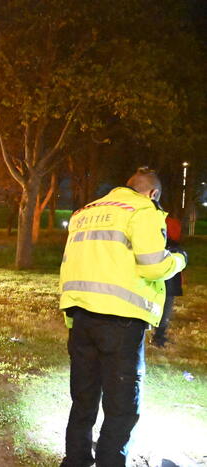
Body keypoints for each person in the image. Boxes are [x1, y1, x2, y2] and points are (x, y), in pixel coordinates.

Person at [59, 167, 187, 466]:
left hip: (81, 318)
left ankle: (75, 460)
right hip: (122, 322)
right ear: (153, 193)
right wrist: (179, 259)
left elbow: (69, 265)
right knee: (121, 406)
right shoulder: (143, 210)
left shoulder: (85, 212)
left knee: (83, 398)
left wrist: (70, 316)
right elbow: (154, 266)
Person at [151, 214, 184, 347]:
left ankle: (159, 335)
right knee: (166, 306)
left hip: (164, 268)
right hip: (167, 269)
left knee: (165, 305)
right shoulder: (169, 222)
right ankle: (159, 336)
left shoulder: (156, 220)